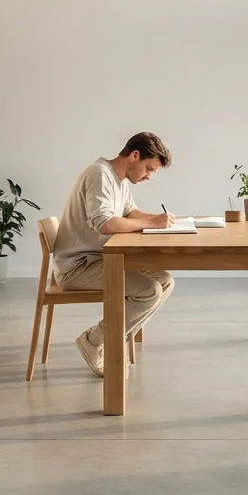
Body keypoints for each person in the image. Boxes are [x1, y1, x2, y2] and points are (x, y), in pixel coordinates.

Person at [53, 132, 176, 377]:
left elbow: (130, 213)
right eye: (148, 169)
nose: (148, 176)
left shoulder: (118, 179)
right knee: (149, 291)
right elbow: (106, 224)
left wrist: (163, 220)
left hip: (98, 259)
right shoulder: (99, 175)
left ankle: (112, 338)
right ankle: (95, 340)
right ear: (135, 156)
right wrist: (152, 224)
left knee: (164, 280)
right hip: (78, 267)